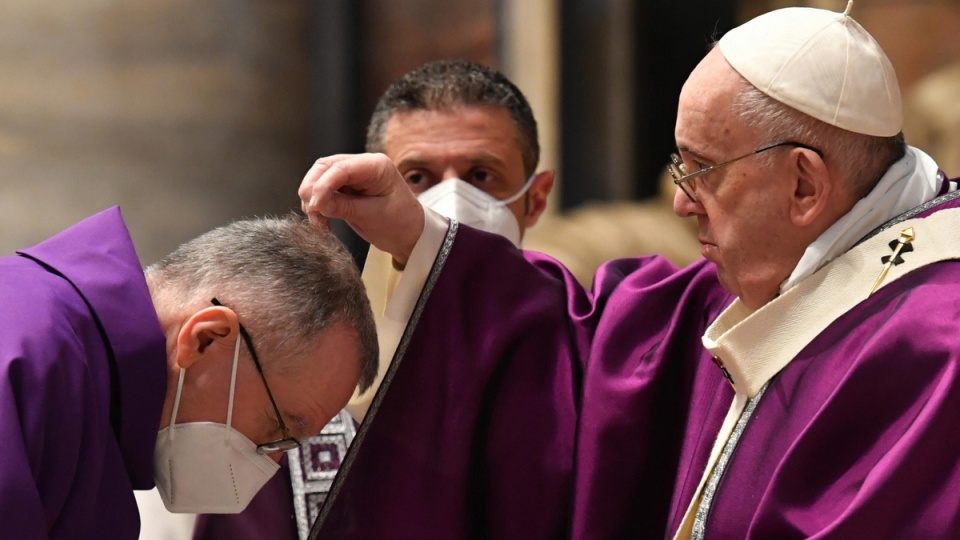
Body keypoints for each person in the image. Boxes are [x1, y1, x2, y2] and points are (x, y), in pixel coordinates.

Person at [299, 2, 960, 538]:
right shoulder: (778, 275)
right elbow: (585, 356)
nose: (679, 202)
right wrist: (418, 232)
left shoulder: (937, 345)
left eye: (701, 170)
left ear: (804, 186)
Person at [192, 59, 556, 540]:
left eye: (482, 176)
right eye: (418, 178)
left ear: (536, 198)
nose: (452, 202)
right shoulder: (301, 382)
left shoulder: (573, 366)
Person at [0, 206, 378, 539]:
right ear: (206, 339)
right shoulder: (27, 354)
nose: (270, 464)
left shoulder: (98, 408)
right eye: (278, 431)